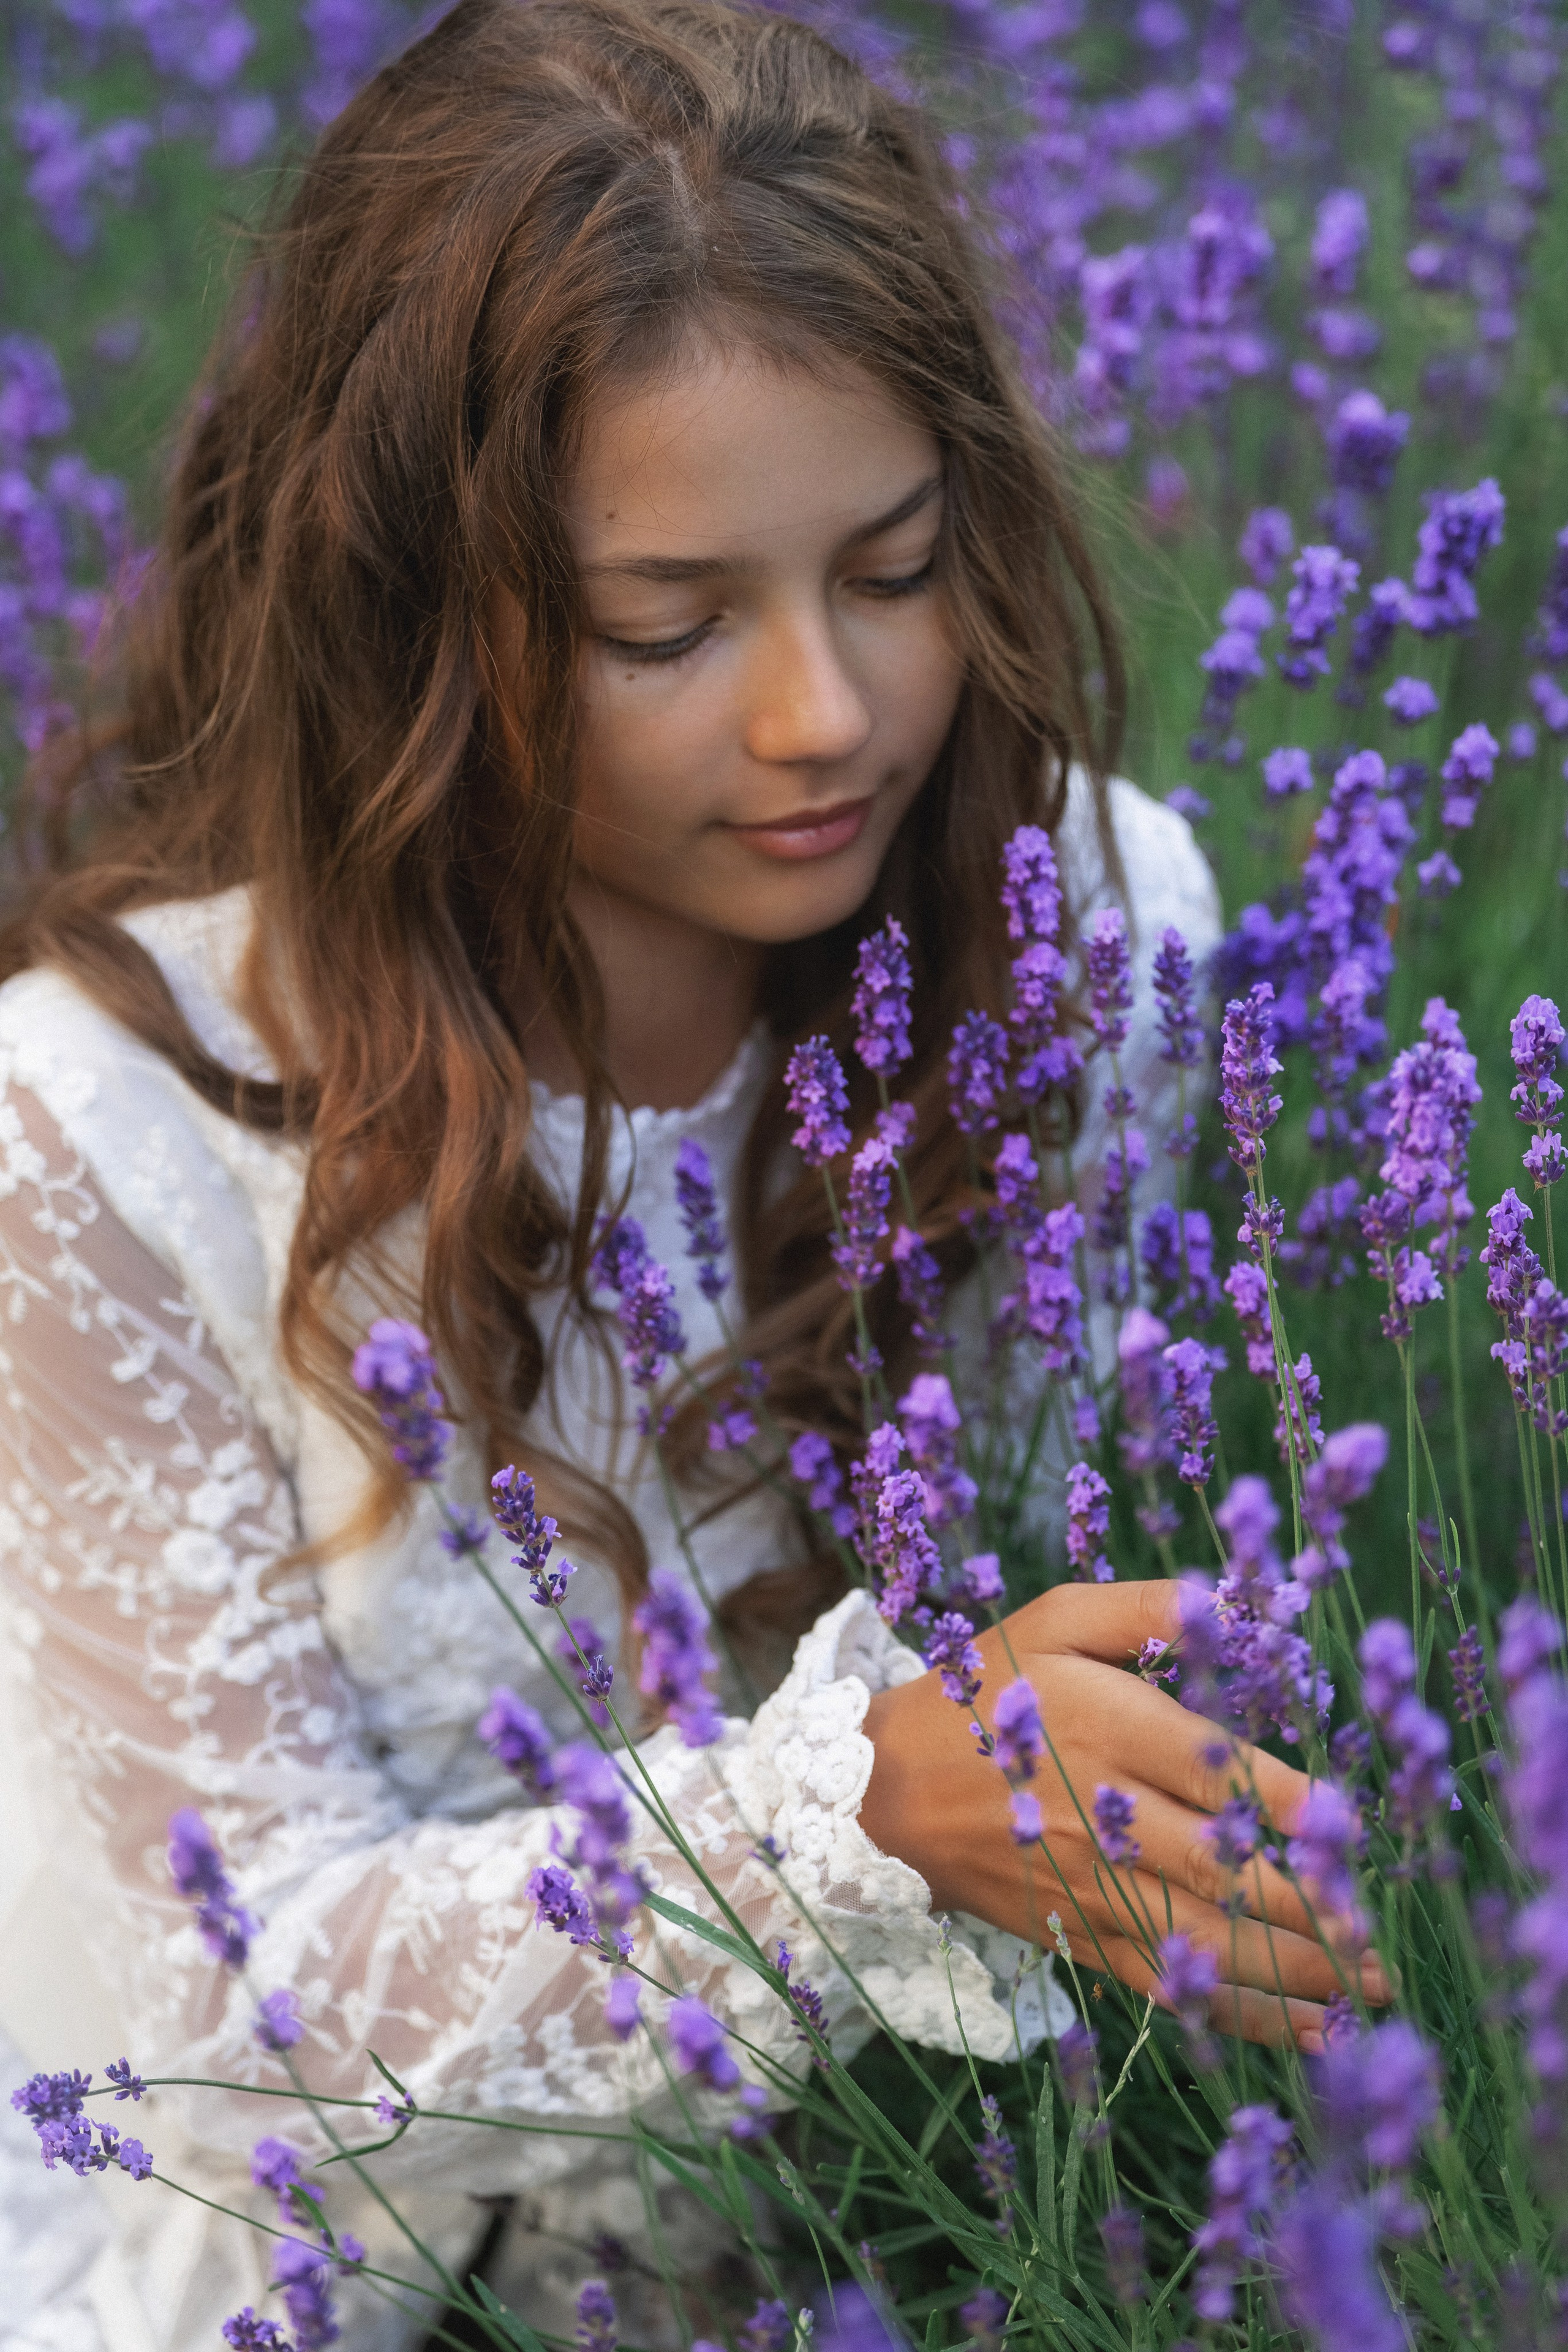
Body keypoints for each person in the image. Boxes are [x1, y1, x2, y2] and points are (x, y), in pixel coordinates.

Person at [0, 1, 1379, 2341]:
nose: (822, 715)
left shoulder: (1092, 926)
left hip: (980, 2230)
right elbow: (228, 2036)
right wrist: (844, 1826)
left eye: (896, 567)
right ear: (417, 623)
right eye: (669, 623)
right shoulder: (100, 1135)